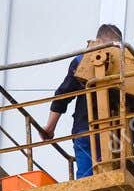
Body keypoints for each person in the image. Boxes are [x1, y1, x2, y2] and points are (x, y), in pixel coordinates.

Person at [45, 24, 123, 179]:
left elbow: (63, 94)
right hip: (117, 134)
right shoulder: (126, 66)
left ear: (97, 41)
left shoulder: (82, 60)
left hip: (87, 130)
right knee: (112, 179)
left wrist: (50, 127)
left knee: (86, 181)